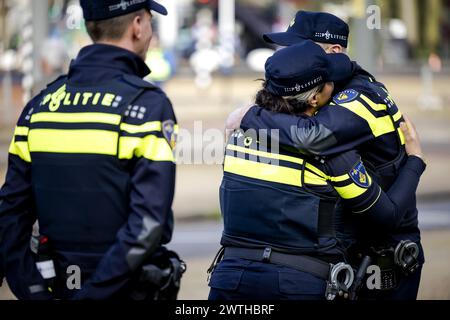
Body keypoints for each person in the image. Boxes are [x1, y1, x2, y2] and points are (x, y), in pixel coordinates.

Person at [208, 41, 426, 300]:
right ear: (315, 97)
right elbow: (386, 216)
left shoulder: (236, 137)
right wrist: (415, 160)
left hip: (228, 282)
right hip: (297, 285)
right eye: (330, 82)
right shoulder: (333, 155)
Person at [0, 0, 183, 300]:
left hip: (54, 288)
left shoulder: (39, 107)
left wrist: (33, 291)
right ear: (137, 26)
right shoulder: (146, 105)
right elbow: (148, 223)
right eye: (150, 20)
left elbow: (10, 217)